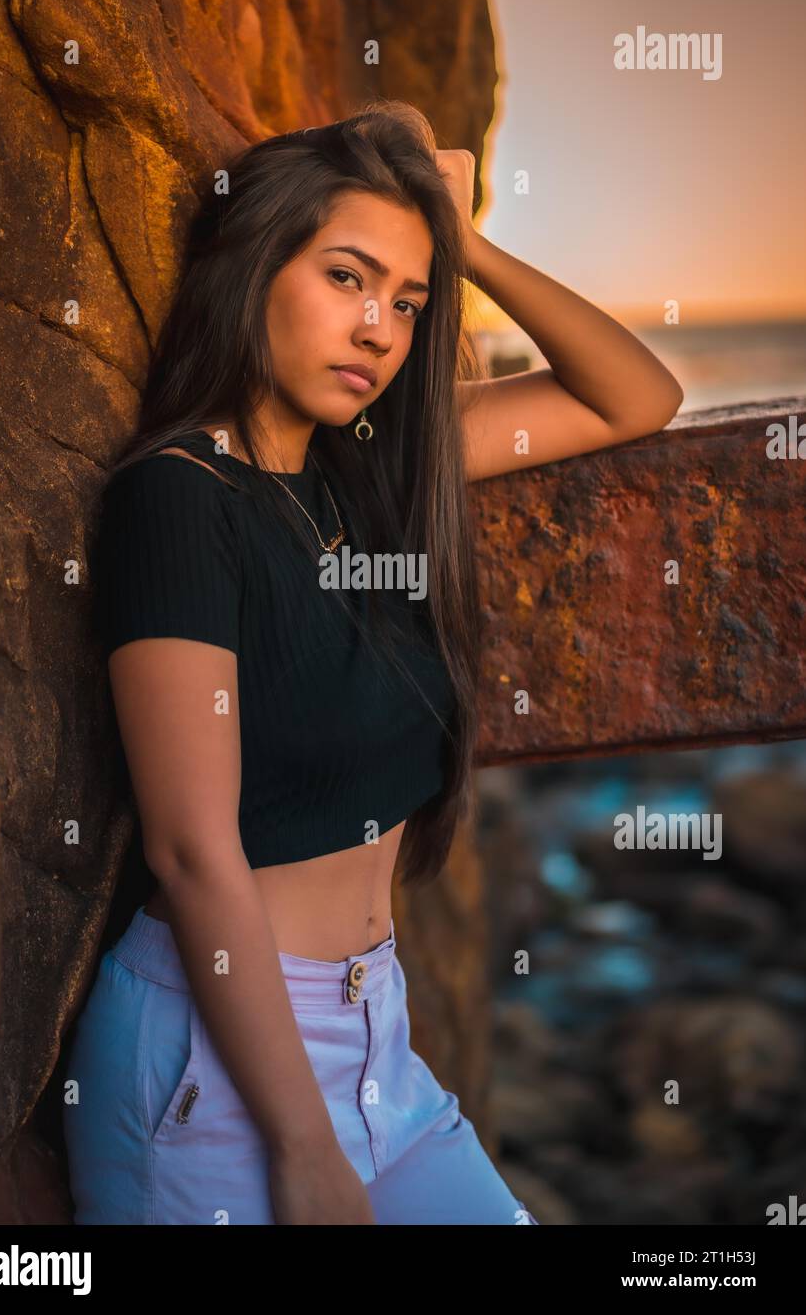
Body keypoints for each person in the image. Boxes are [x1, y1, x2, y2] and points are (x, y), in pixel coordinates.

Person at [63, 100, 683, 1225]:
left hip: (376, 1043)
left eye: (406, 300)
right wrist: (302, 1150)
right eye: (347, 278)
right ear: (253, 266)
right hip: (215, 1065)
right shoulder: (178, 501)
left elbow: (634, 396)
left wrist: (469, 243)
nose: (380, 329)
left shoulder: (368, 475)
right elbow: (191, 847)